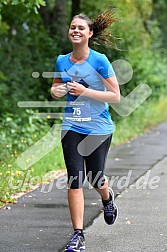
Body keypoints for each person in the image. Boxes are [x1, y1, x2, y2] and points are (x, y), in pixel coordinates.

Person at [50, 9, 120, 252]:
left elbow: (115, 96)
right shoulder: (61, 60)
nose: (75, 30)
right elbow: (56, 88)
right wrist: (56, 91)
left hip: (98, 127)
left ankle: (107, 198)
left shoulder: (99, 60)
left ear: (90, 33)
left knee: (95, 177)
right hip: (72, 125)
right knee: (74, 178)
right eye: (73, 27)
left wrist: (85, 92)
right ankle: (78, 235)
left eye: (81, 28)